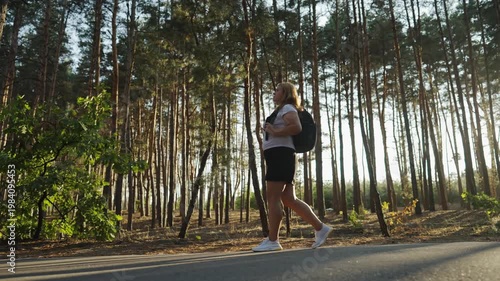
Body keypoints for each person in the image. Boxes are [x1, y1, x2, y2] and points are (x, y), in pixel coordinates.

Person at [252, 82, 333, 252]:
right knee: (288, 199)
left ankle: (273, 240)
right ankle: (320, 228)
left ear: (286, 93)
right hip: (281, 156)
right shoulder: (282, 110)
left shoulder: (288, 108)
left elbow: (296, 127)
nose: (274, 93)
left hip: (281, 155)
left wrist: (274, 131)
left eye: (277, 90)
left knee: (273, 198)